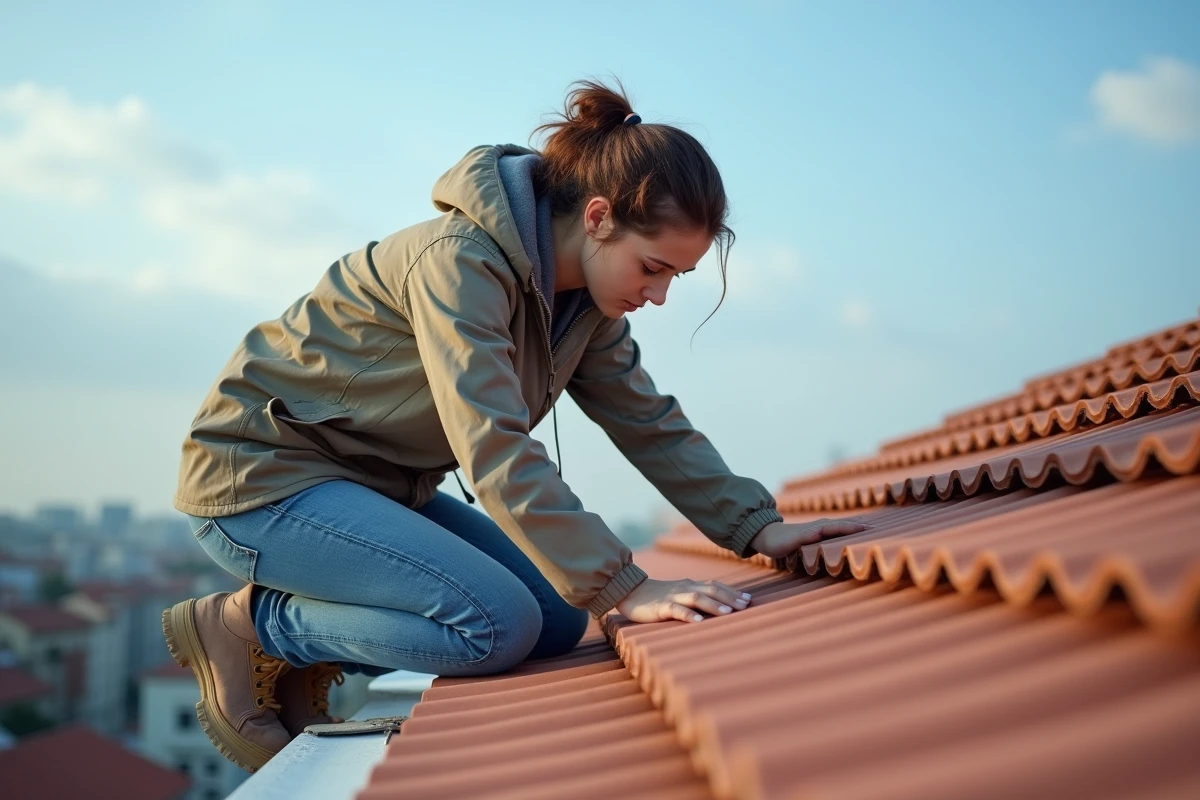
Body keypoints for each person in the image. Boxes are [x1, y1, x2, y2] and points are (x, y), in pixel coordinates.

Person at [162, 78, 868, 772]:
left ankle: (293, 635)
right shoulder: (459, 264)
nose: (656, 295)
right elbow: (492, 442)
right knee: (494, 627)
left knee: (559, 623)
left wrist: (756, 526)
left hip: (372, 490)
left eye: (673, 280)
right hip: (263, 481)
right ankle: (255, 628)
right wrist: (626, 587)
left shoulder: (587, 307)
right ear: (597, 218)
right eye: (652, 268)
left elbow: (648, 420)